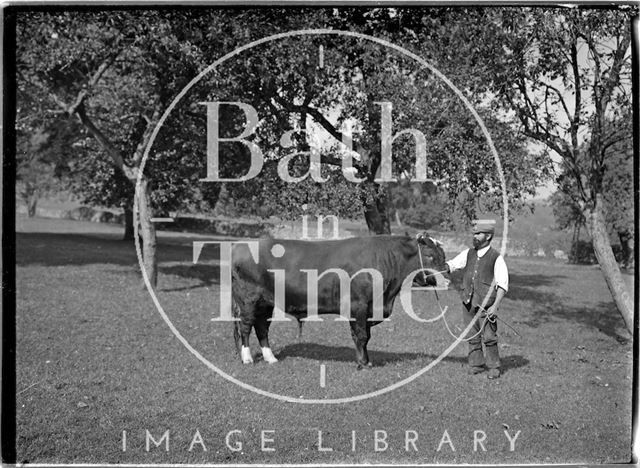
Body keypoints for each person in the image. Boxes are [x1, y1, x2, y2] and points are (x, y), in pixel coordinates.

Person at [445, 219, 509, 379]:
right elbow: (452, 265)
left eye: (478, 233)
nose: (475, 236)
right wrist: (437, 268)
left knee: (489, 337)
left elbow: (502, 285)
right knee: (472, 335)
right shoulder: (468, 253)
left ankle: (494, 367)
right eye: (474, 233)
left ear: (488, 236)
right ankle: (476, 364)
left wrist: (495, 306)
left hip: (487, 305)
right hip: (468, 302)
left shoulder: (496, 258)